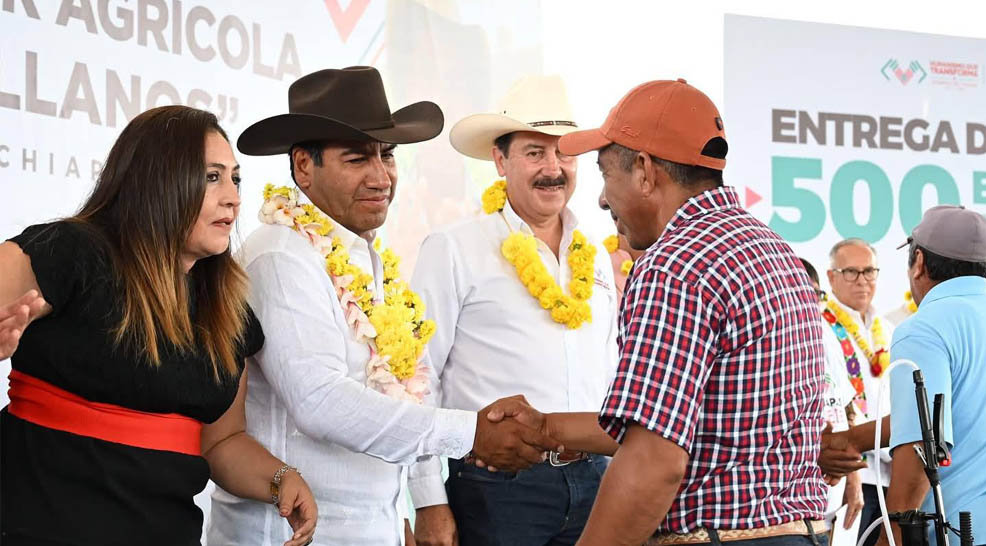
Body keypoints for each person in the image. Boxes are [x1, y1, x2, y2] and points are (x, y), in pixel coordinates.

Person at [207, 66, 561, 546]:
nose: (381, 176)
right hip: (291, 535)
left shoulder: (368, 257)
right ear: (303, 167)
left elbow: (402, 391)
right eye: (358, 159)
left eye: (388, 155)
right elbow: (320, 401)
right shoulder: (281, 253)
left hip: (371, 528)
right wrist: (468, 432)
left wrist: (412, 508)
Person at [482, 78, 828, 546]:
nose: (602, 198)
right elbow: (692, 424)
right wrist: (546, 428)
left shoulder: (675, 263)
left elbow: (655, 462)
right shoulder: (772, 249)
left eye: (606, 174)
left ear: (644, 171)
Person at [0, 105, 317, 546]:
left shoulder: (228, 310)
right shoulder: (68, 250)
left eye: (235, 178)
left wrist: (281, 479)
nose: (233, 197)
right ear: (155, 180)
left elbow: (221, 443)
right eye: (212, 177)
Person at [411, 74, 619, 545]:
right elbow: (418, 379)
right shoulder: (453, 247)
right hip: (495, 486)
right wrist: (428, 501)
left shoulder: (597, 255)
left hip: (595, 481)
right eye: (534, 152)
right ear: (500, 160)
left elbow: (608, 371)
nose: (553, 168)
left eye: (564, 152)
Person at [821, 206, 986, 546]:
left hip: (960, 531)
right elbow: (956, 411)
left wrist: (891, 536)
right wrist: (851, 441)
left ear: (920, 262)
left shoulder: (926, 327)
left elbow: (922, 441)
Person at [822, 239, 895, 546]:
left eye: (869, 271)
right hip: (851, 469)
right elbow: (839, 402)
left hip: (890, 470)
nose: (862, 280)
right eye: (851, 272)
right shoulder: (822, 324)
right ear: (831, 277)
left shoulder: (887, 328)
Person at [801, 257, 867, 535]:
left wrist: (855, 480)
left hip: (827, 505)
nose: (811, 304)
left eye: (816, 295)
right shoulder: (771, 341)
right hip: (787, 509)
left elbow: (845, 407)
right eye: (804, 294)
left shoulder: (828, 336)